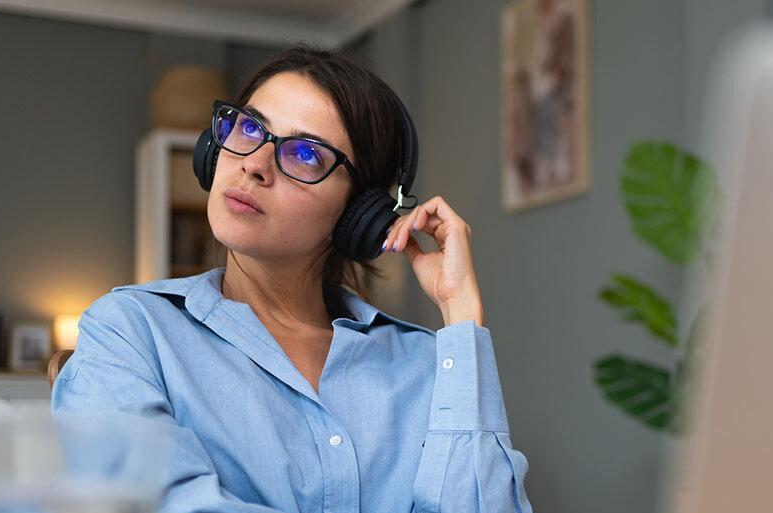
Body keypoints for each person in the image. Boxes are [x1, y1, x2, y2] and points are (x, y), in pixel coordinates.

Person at [51, 45, 533, 513]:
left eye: (305, 154)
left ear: (359, 214)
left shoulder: (425, 365)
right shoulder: (129, 330)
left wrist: (461, 315)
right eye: (248, 128)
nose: (254, 164)